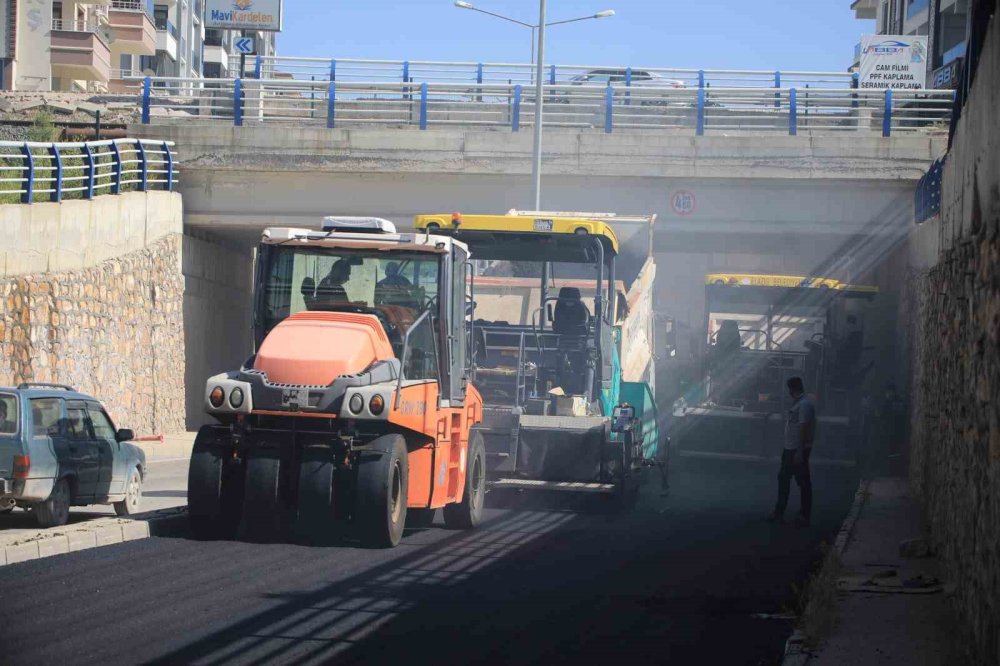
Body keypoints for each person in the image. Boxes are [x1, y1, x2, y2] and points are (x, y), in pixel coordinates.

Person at [769, 376, 816, 526]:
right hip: (790, 448)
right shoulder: (799, 403)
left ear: (792, 389)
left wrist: (800, 451)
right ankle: (780, 512)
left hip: (796, 449)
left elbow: (804, 428)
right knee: (785, 479)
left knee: (802, 482)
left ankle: (803, 515)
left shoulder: (804, 405)